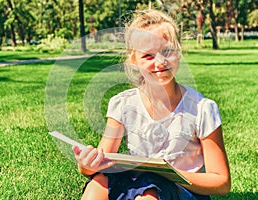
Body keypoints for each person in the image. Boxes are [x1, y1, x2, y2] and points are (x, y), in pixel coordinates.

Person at [73, 9, 231, 200]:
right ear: (134, 60)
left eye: (167, 51)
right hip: (139, 182)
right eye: (148, 56)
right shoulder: (122, 104)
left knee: (149, 193)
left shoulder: (202, 108)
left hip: (184, 190)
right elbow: (102, 161)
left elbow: (221, 182)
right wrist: (87, 165)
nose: (160, 62)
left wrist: (170, 173)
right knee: (98, 184)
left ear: (179, 50)